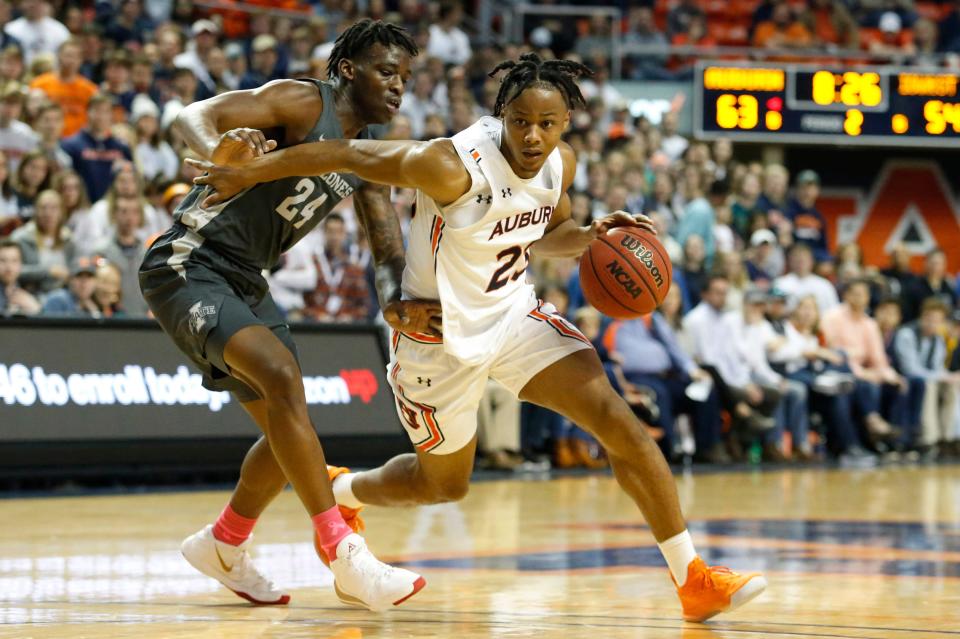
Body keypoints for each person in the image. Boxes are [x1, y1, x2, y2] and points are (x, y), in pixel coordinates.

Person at [192, 51, 767, 622]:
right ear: (501, 116)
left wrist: (591, 236)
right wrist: (248, 172)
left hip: (516, 315)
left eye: (547, 124)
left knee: (623, 427)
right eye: (521, 121)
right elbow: (349, 153)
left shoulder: (559, 163)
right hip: (438, 341)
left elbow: (550, 232)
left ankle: (692, 578)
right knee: (443, 486)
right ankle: (346, 492)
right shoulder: (451, 165)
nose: (534, 136)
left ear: (566, 122)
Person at [138, 20, 429, 611]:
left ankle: (223, 543)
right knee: (283, 382)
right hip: (188, 261)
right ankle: (342, 551)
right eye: (386, 71)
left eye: (405, 76)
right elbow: (192, 116)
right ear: (348, 69)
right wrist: (211, 150)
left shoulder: (368, 152)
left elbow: (387, 249)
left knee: (284, 429)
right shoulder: (300, 101)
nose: (398, 86)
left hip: (245, 279)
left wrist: (397, 301)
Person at [892, 297, 960, 457]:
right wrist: (940, 376)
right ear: (922, 316)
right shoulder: (907, 334)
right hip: (905, 379)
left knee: (950, 386)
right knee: (929, 384)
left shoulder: (938, 339)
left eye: (937, 321)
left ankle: (947, 438)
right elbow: (910, 369)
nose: (932, 324)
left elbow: (939, 367)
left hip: (929, 378)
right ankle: (929, 439)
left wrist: (951, 377)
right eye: (929, 319)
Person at [61, 94, 133, 202]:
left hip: (114, 208)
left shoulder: (122, 148)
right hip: (83, 208)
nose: (101, 116)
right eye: (97, 111)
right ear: (87, 112)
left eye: (106, 111)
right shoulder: (70, 145)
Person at [303, 212, 371, 323]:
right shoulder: (313, 264)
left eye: (338, 232)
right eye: (330, 231)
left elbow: (364, 307)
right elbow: (302, 303)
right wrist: (317, 315)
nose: (334, 237)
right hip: (315, 329)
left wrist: (349, 317)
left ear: (344, 234)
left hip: (344, 332)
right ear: (324, 233)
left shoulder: (354, 269)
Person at [29, 39, 98, 138]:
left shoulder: (90, 89)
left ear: (81, 60)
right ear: (58, 56)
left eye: (75, 57)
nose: (70, 60)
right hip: (45, 137)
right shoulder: (40, 83)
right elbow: (32, 113)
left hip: (78, 142)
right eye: (68, 55)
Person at [9, 188, 73, 295]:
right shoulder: (21, 238)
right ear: (36, 211)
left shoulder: (68, 239)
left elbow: (74, 270)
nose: (48, 213)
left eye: (54, 208)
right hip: (30, 293)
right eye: (43, 208)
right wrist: (48, 272)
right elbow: (11, 270)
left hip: (64, 294)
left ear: (61, 212)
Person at [774, 243, 838, 313]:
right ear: (790, 261)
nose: (801, 262)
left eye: (804, 259)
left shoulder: (824, 285)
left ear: (812, 261)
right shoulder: (780, 283)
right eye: (797, 259)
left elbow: (833, 312)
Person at [0, 238, 40, 316]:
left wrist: (35, 309)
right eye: (2, 260)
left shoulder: (29, 289)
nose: (9, 267)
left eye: (14, 260)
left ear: (21, 264)